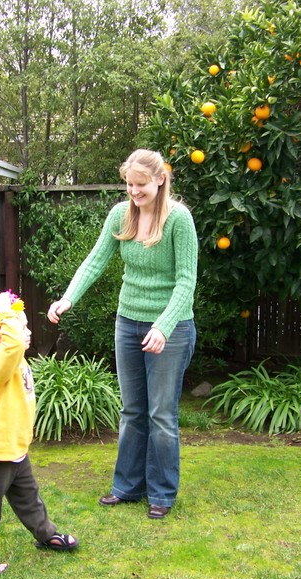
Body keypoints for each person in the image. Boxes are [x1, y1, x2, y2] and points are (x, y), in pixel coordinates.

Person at [47, 149, 198, 519]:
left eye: (140, 184)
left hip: (171, 329)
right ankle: (128, 487)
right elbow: (95, 260)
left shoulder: (179, 220)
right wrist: (68, 297)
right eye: (129, 184)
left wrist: (163, 326)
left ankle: (161, 492)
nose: (134, 191)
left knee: (161, 414)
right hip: (128, 323)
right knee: (132, 410)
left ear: (160, 179)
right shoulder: (121, 214)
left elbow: (186, 282)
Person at [0, 290, 78, 575]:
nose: (28, 332)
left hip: (15, 449)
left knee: (29, 499)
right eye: (21, 327)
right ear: (3, 334)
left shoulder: (16, 360)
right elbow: (12, 347)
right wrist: (6, 313)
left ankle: (45, 534)